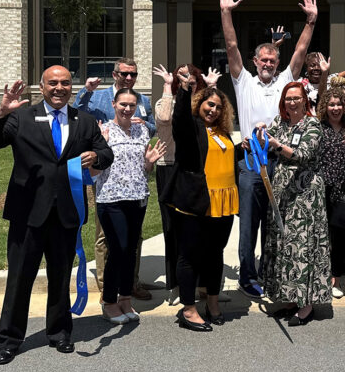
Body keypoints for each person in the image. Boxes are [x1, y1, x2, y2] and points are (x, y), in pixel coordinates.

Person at [0, 66, 113, 366]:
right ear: (42, 88)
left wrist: (96, 157)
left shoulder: (85, 120)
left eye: (65, 83)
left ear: (71, 87)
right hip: (27, 214)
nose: (59, 88)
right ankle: (10, 340)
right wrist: (1, 112)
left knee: (60, 276)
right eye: (52, 83)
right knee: (19, 279)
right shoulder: (21, 117)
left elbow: (106, 154)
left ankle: (60, 332)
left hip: (66, 214)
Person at [219, 0, 318, 299]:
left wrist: (311, 22)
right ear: (255, 61)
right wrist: (226, 12)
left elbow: (300, 53)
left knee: (276, 223)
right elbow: (231, 45)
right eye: (264, 60)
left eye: (273, 60)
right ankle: (248, 278)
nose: (269, 64)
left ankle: (271, 274)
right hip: (250, 163)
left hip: (280, 161)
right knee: (248, 225)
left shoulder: (286, 82)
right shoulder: (243, 81)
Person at [75, 57, 156, 302]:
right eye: (125, 73)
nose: (129, 78)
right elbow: (79, 113)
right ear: (115, 74)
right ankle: (105, 285)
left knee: (133, 239)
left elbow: (150, 126)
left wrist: (144, 124)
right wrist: (86, 90)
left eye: (133, 74)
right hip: (107, 180)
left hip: (135, 185)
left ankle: (130, 283)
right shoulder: (99, 98)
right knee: (106, 238)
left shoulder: (141, 99)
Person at [170, 71, 239, 332]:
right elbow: (179, 122)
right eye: (209, 104)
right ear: (199, 104)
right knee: (189, 256)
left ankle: (211, 301)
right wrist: (185, 89)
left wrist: (248, 146)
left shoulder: (222, 133)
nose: (213, 110)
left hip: (224, 203)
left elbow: (226, 159)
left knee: (215, 254)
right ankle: (188, 309)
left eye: (219, 107)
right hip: (196, 202)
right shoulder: (193, 128)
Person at [92, 88, 167, 325]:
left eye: (131, 105)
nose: (127, 109)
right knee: (119, 249)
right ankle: (109, 301)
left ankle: (125, 298)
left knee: (131, 250)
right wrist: (99, 147)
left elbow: (144, 168)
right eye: (123, 104)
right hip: (111, 199)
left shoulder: (141, 130)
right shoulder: (103, 131)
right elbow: (93, 172)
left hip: (137, 197)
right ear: (113, 104)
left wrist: (149, 162)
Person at [259, 82, 328, 326]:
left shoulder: (312, 124)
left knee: (303, 246)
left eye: (296, 98)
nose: (292, 102)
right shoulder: (279, 123)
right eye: (288, 98)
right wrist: (258, 137)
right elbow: (266, 148)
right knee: (285, 246)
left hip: (305, 195)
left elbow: (303, 154)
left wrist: (277, 145)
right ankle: (289, 298)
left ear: (304, 100)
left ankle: (307, 304)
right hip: (281, 194)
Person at [152, 63, 214, 306]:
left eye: (192, 78)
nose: (189, 81)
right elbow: (166, 118)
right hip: (169, 168)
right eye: (183, 78)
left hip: (196, 172)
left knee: (199, 232)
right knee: (172, 230)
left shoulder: (201, 108)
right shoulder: (166, 102)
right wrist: (168, 86)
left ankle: (199, 284)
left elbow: (216, 117)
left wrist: (211, 88)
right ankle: (175, 286)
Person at [315, 84, 345, 299]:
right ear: (325, 106)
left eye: (339, 104)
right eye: (331, 104)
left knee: (338, 237)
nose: (335, 108)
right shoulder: (318, 128)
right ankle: (319, 277)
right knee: (321, 236)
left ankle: (335, 279)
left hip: (342, 190)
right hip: (321, 189)